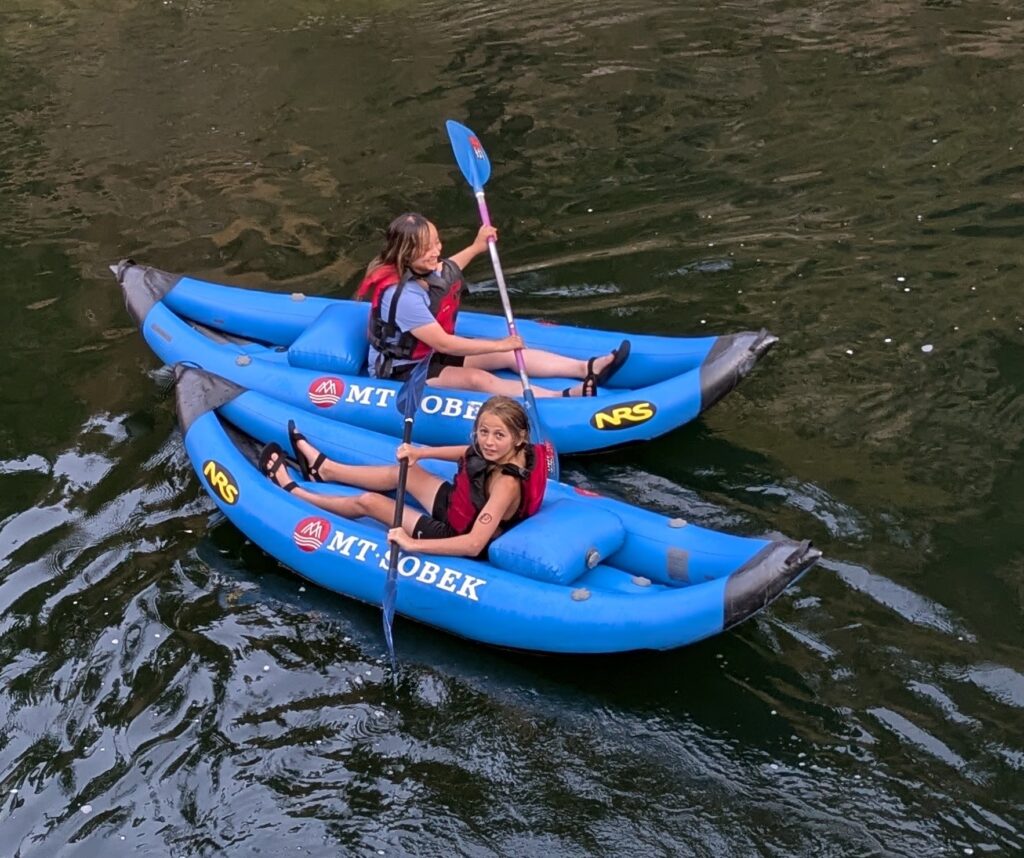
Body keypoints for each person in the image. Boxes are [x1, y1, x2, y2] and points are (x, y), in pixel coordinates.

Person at [355, 212, 630, 397]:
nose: (437, 251)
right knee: (479, 380)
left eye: (437, 242)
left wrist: (476, 246)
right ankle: (562, 397)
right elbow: (446, 345)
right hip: (402, 370)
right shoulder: (403, 297)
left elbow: (448, 270)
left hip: (426, 353)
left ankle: (586, 368)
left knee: (509, 355)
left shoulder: (421, 268)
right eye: (428, 248)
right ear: (406, 252)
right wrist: (499, 343)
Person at [260, 396, 547, 558]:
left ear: (520, 437)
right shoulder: (505, 450)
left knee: (370, 503)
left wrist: (413, 544)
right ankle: (326, 470)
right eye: (483, 432)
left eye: (499, 435)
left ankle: (297, 492)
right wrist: (422, 454)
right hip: (460, 503)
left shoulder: (506, 485)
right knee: (403, 471)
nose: (489, 442)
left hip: (455, 532)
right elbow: (471, 452)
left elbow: (473, 545)